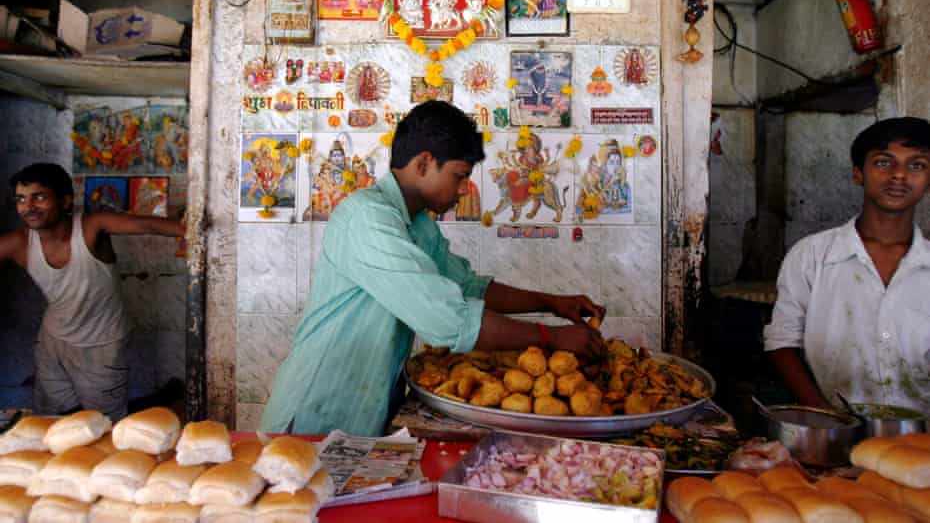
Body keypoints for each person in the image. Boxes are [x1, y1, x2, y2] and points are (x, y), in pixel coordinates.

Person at [261, 101, 606, 436]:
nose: (463, 190)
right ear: (424, 163)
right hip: (312, 418)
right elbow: (449, 320)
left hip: (366, 415)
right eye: (459, 176)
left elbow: (469, 287)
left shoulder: (418, 225)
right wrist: (552, 337)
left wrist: (552, 303)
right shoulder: (367, 219)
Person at [764, 117, 930, 412]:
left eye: (916, 165)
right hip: (836, 428)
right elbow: (782, 342)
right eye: (883, 163)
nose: (899, 175)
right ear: (858, 174)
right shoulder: (811, 256)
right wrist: (826, 417)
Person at [0, 163, 184, 421]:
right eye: (21, 199)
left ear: (65, 201)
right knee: (51, 418)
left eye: (39, 197)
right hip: (54, 341)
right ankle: (164, 397)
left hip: (103, 342)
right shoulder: (18, 243)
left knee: (104, 423)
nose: (28, 207)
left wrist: (193, 232)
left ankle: (166, 399)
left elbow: (149, 225)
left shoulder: (90, 227)